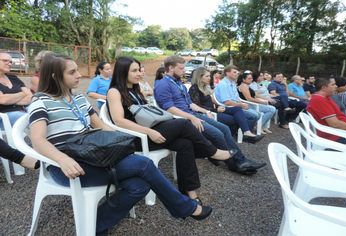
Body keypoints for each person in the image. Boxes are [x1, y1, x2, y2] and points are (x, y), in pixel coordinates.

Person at [28, 53, 212, 236]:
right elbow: (37, 140)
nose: (79, 75)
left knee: (140, 185)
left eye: (77, 71)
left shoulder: (79, 99)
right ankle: (184, 207)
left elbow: (102, 127)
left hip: (93, 155)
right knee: (144, 164)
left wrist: (122, 143)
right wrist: (62, 160)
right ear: (55, 77)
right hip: (67, 167)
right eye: (72, 72)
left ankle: (96, 225)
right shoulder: (41, 101)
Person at [106, 56, 233, 204]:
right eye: (134, 71)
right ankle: (212, 152)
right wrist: (149, 132)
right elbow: (118, 121)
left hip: (151, 130)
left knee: (185, 143)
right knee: (184, 123)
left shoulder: (135, 89)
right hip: (137, 138)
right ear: (123, 72)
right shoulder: (114, 92)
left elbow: (150, 111)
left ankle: (189, 192)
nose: (139, 74)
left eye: (139, 70)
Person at [154, 55, 266, 175]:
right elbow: (169, 109)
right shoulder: (163, 84)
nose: (183, 70)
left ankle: (241, 160)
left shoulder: (179, 84)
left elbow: (190, 103)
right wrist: (192, 117)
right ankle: (235, 164)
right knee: (217, 134)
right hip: (183, 120)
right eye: (181, 68)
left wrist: (205, 111)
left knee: (225, 128)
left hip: (193, 114)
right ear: (171, 67)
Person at [189, 67, 264, 143]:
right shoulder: (194, 88)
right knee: (238, 119)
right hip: (209, 113)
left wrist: (218, 106)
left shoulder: (204, 87)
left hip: (215, 109)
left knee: (238, 109)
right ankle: (227, 139)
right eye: (207, 76)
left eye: (209, 76)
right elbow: (197, 106)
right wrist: (216, 109)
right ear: (199, 77)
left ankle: (245, 133)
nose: (209, 78)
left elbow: (209, 103)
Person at [306, 76, 346, 147]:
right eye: (333, 85)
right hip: (338, 136)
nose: (336, 86)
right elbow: (335, 124)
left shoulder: (325, 98)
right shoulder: (319, 100)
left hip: (343, 132)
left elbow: (340, 116)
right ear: (324, 88)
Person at [214, 65, 261, 132]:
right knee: (254, 116)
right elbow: (227, 102)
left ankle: (242, 131)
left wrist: (242, 104)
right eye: (234, 72)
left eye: (237, 72)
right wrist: (241, 105)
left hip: (236, 106)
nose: (237, 74)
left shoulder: (232, 83)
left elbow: (237, 97)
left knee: (258, 114)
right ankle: (245, 133)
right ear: (227, 73)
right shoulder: (223, 84)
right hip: (228, 108)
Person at [0, 52, 32, 128]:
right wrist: (22, 94)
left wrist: (11, 101)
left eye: (11, 62)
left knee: (44, 115)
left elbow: (30, 97)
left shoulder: (13, 78)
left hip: (24, 110)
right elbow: (3, 100)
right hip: (4, 115)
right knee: (32, 120)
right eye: (5, 61)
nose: (9, 64)